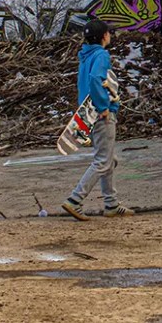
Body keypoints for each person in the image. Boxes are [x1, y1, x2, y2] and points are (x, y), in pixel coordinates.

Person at [62, 19, 134, 220]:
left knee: (109, 159)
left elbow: (84, 83)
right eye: (109, 33)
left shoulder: (85, 56)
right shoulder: (101, 55)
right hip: (101, 112)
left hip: (87, 112)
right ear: (104, 36)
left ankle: (111, 204)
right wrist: (103, 106)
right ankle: (75, 200)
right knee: (103, 160)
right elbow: (96, 79)